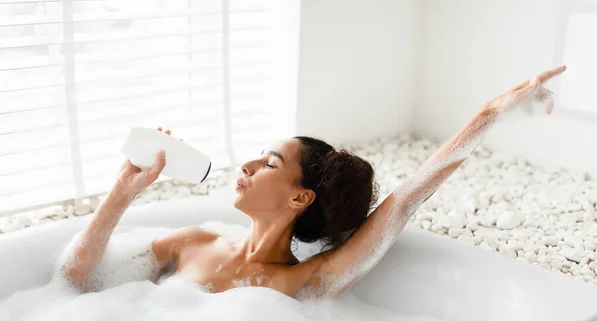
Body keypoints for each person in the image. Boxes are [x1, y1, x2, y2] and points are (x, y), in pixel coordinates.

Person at [60, 66, 566, 299]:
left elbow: (407, 198)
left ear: (302, 196)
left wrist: (487, 115)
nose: (250, 167)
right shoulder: (192, 242)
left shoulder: (303, 281)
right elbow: (76, 280)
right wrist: (121, 193)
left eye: (271, 162)